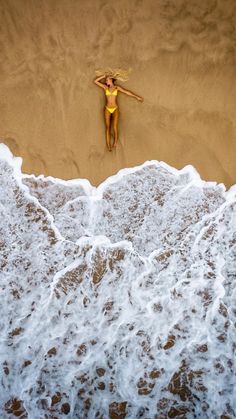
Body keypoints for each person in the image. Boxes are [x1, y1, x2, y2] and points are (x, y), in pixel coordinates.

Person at [94, 71, 144, 151]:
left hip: (115, 108)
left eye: (107, 80)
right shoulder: (105, 88)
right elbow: (95, 81)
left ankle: (115, 142)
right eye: (106, 80)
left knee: (114, 126)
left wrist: (136, 97)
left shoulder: (116, 88)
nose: (106, 81)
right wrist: (103, 76)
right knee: (107, 127)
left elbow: (126, 92)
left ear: (111, 80)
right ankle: (108, 146)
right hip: (107, 108)